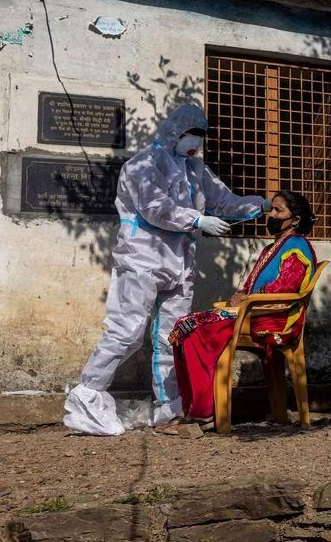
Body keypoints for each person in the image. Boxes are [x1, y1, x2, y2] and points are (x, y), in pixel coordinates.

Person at [63, 104, 268, 436]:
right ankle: (86, 397)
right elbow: (154, 207)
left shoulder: (196, 170)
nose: (196, 142)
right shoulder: (142, 165)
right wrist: (197, 220)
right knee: (126, 331)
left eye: (201, 136)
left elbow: (224, 201)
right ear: (175, 132)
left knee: (172, 337)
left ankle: (168, 409)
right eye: (191, 134)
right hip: (141, 258)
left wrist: (261, 205)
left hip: (180, 263)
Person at [167, 191, 318, 430]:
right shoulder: (270, 249)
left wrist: (246, 299)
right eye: (271, 209)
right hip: (252, 312)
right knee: (184, 325)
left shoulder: (297, 247)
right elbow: (250, 287)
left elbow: (284, 289)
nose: (272, 215)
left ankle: (204, 413)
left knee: (197, 330)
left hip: (273, 318)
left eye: (278, 211)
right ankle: (192, 408)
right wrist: (241, 296)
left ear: (296, 220)